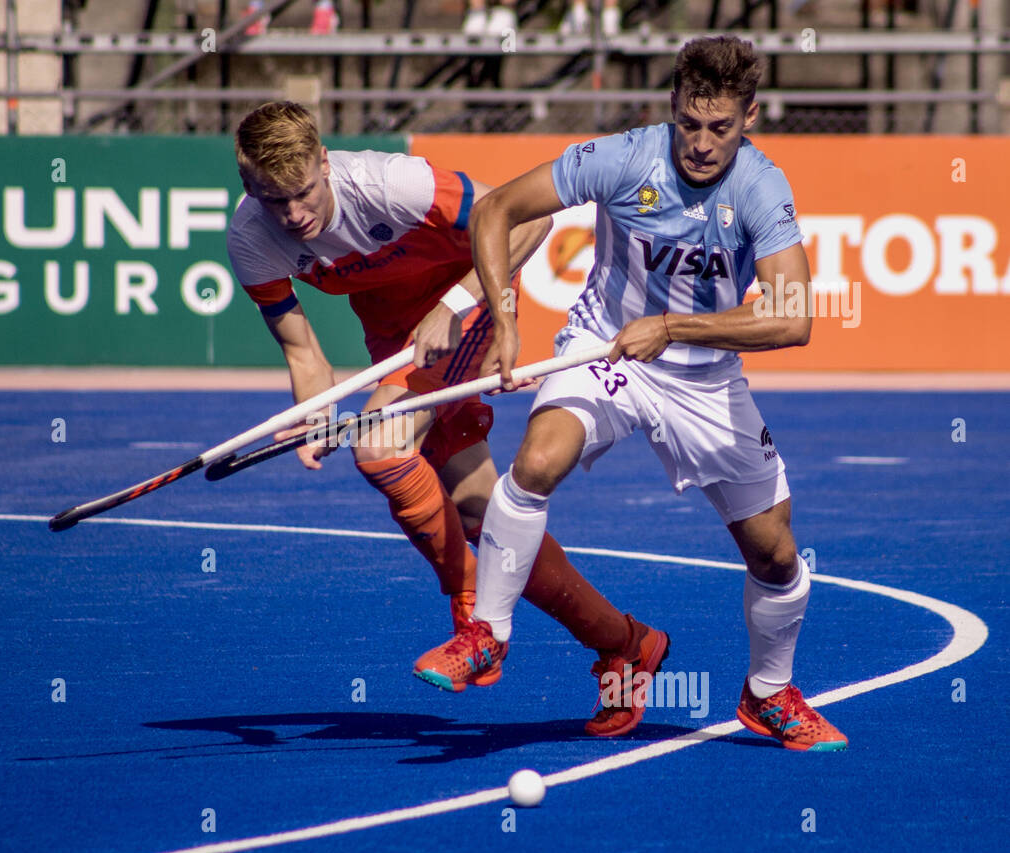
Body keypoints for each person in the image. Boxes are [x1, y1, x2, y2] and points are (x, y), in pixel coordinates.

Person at [227, 101, 667, 732]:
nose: (294, 216)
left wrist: (457, 305)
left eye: (302, 194)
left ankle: (473, 612)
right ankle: (626, 644)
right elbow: (306, 357)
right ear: (249, 188)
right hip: (394, 340)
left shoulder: (390, 183)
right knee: (482, 513)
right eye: (274, 202)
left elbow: (527, 222)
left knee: (379, 447)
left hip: (466, 304)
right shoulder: (250, 239)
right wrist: (315, 411)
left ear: (325, 163)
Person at [464, 35, 848, 750]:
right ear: (672, 106)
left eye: (721, 128)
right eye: (690, 124)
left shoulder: (761, 187)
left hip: (703, 379)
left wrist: (671, 325)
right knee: (537, 463)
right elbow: (495, 212)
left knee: (774, 555)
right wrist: (505, 320)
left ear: (751, 117)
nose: (702, 144)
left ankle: (768, 693)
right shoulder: (622, 157)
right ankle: (487, 630)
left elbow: (794, 317)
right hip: (605, 347)